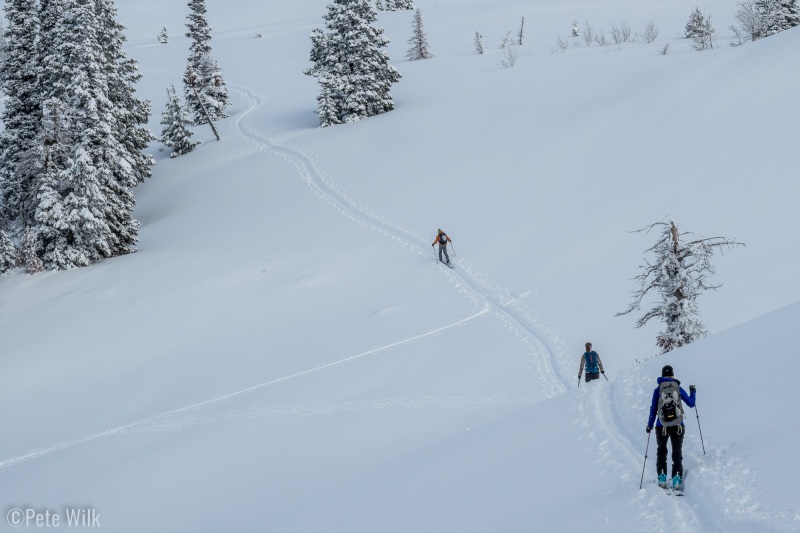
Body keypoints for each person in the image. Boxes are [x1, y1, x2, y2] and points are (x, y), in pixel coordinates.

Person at [646, 365, 697, 489]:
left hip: (661, 425)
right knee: (677, 451)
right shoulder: (677, 388)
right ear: (673, 375)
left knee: (661, 451)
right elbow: (691, 403)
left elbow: (653, 409)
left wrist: (650, 425)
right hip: (678, 425)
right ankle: (677, 479)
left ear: (662, 375)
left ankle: (662, 477)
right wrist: (693, 391)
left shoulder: (657, 390)